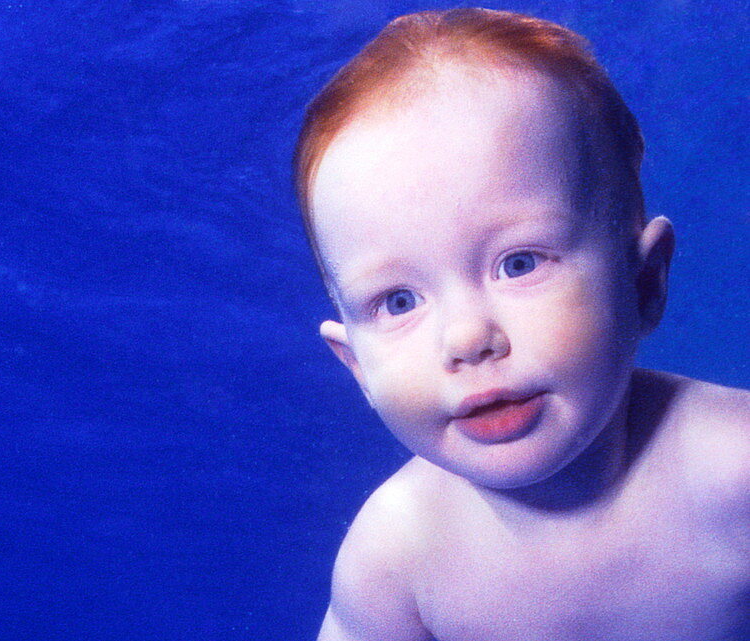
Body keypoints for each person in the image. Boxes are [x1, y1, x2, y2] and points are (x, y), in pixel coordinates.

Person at [295, 7, 750, 640]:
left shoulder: (734, 470)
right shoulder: (394, 562)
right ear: (357, 367)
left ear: (643, 282)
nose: (465, 338)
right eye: (398, 302)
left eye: (519, 263)